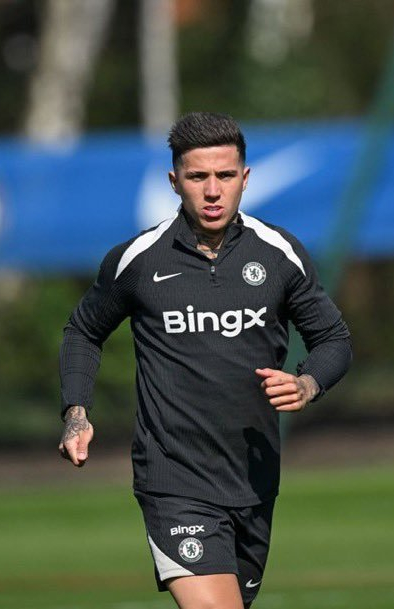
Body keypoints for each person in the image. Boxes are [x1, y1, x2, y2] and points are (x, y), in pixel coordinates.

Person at [59, 112, 352, 609]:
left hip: (253, 478)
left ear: (245, 178)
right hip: (173, 478)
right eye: (197, 177)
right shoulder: (139, 260)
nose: (212, 191)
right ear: (174, 181)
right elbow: (83, 331)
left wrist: (306, 385)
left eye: (225, 175)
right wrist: (76, 412)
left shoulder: (280, 254)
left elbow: (334, 340)